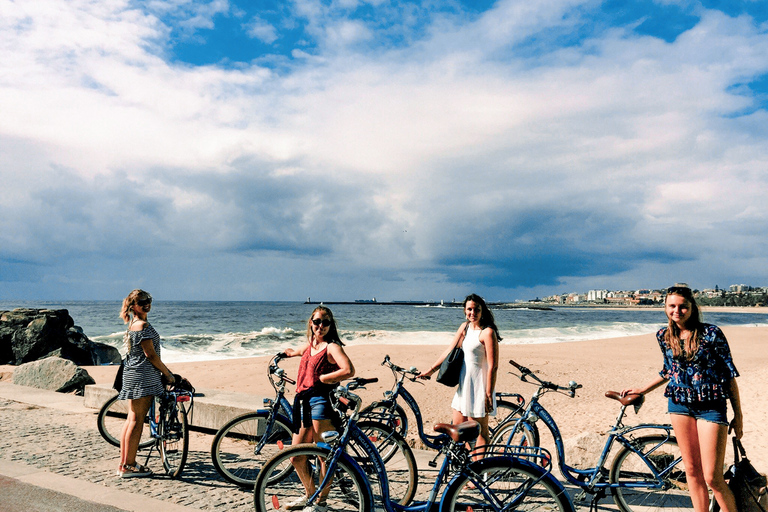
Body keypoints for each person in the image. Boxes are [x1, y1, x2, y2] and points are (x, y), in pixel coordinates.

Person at [621, 285, 743, 512]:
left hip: (711, 407)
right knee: (691, 471)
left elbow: (728, 375)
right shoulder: (664, 336)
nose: (677, 311)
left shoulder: (712, 334)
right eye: (672, 306)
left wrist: (739, 415)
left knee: (713, 478)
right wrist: (642, 390)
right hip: (679, 405)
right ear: (665, 308)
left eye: (683, 306)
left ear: (692, 308)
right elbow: (669, 371)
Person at [279, 306, 355, 512]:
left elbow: (348, 370)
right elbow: (303, 352)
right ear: (311, 323)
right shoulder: (312, 344)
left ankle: (321, 503)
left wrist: (324, 378)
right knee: (296, 457)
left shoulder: (332, 347)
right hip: (303, 402)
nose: (320, 326)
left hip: (321, 403)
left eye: (325, 322)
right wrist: (290, 353)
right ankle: (310, 495)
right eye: (317, 321)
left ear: (331, 325)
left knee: (324, 456)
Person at [420, 294, 500, 456]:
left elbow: (493, 366)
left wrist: (488, 393)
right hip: (464, 386)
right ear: (465, 311)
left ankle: (478, 471)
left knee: (480, 432)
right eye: (469, 309)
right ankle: (466, 468)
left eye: (476, 309)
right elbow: (449, 351)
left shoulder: (487, 332)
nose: (473, 313)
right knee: (459, 430)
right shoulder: (464, 328)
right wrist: (430, 370)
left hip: (479, 387)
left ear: (482, 310)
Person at [116, 289, 178, 478]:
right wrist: (167, 374)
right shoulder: (141, 325)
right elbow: (150, 355)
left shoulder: (133, 323)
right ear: (132, 305)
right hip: (142, 375)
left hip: (133, 373)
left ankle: (124, 463)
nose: (146, 304)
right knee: (136, 421)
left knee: (131, 419)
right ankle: (129, 465)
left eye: (149, 300)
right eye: (142, 301)